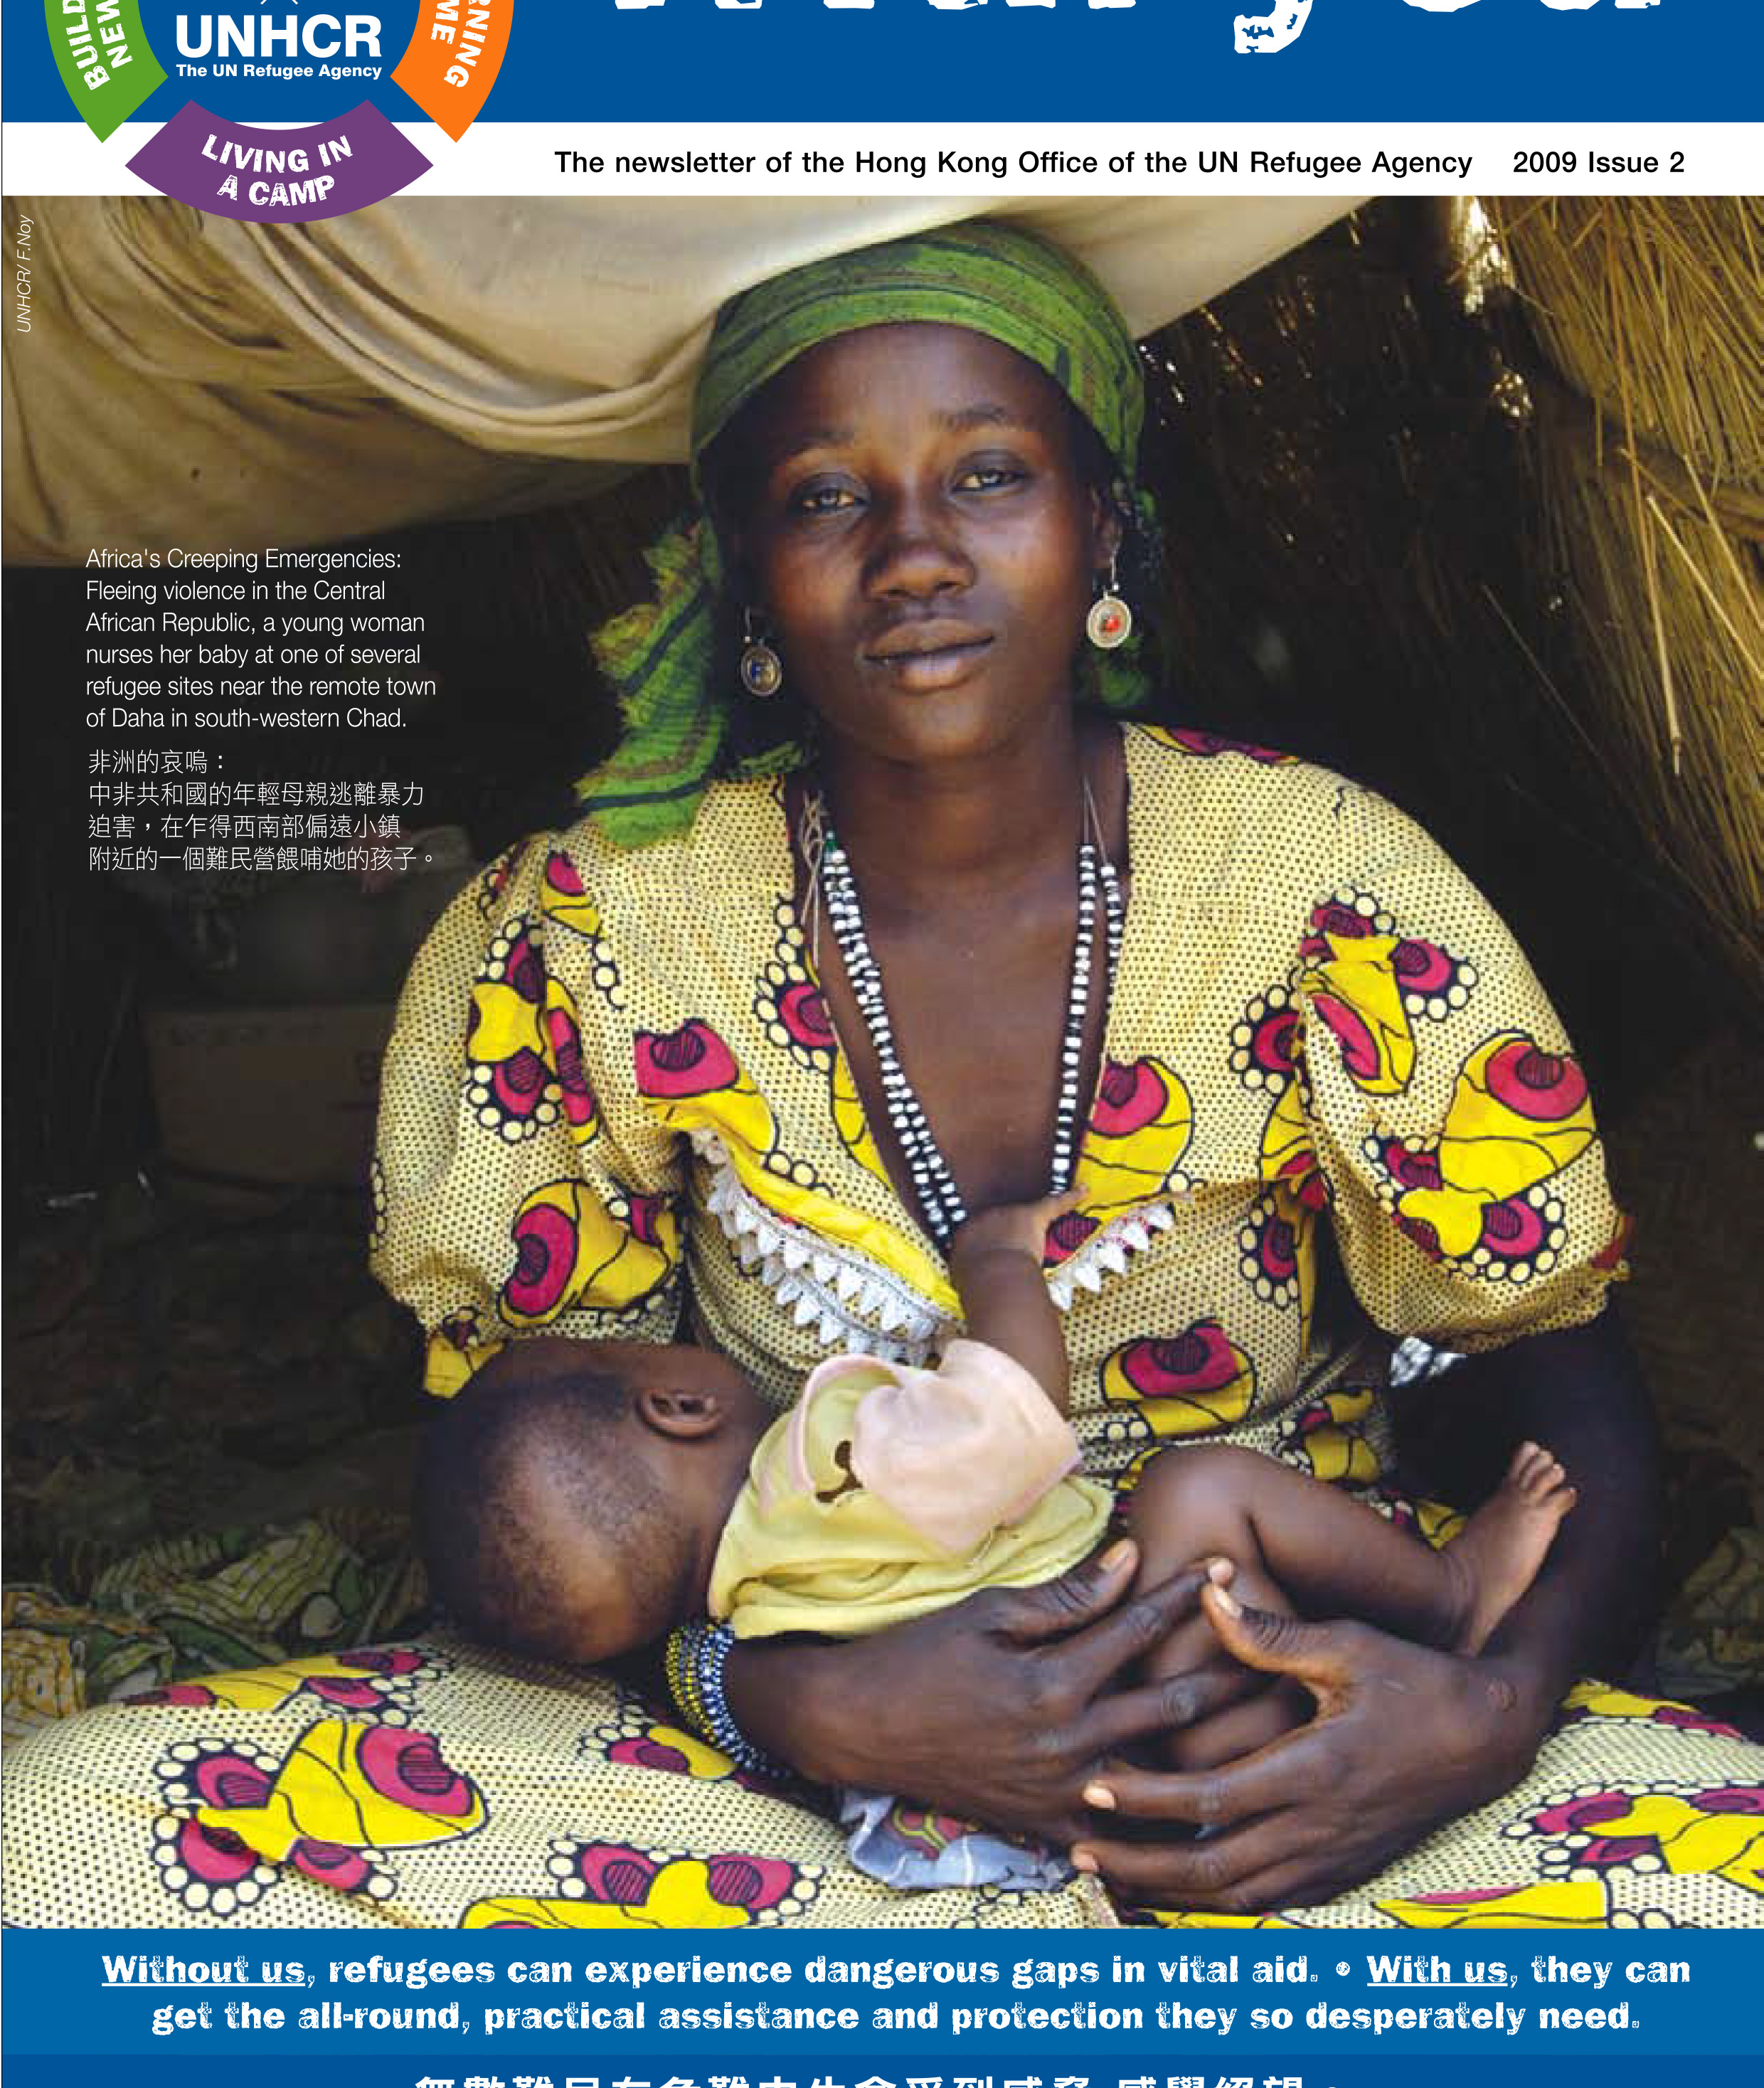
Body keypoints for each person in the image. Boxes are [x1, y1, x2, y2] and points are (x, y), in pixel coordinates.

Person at [6, 219, 1760, 1931]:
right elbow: (545, 1486)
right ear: (744, 578)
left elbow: (1541, 1359)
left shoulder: (1320, 882)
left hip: (1293, 1708)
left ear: (1102, 533)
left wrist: (1484, 1707)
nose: (912, 550)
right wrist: (787, 1694)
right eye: (827, 495)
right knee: (66, 1845)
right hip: (763, 1769)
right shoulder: (594, 929)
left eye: (987, 476)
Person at [422, 1187, 1578, 1886]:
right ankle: (1449, 1597)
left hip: (1105, 1797)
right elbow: (1008, 1419)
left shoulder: (752, 1618)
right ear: (677, 1401)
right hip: (1183, 1668)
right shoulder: (825, 1466)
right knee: (1197, 1490)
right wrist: (997, 1267)